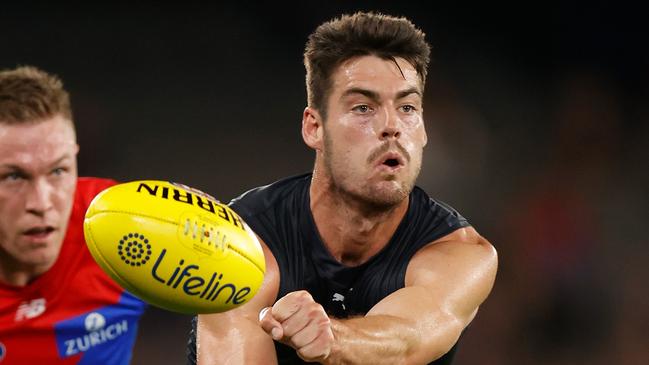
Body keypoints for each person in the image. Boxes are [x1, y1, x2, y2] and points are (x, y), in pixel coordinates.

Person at [190, 11, 497, 364]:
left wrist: (332, 337)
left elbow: (409, 339)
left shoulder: (461, 255)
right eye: (363, 107)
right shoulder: (243, 243)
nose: (391, 126)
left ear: (424, 129)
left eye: (408, 107)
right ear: (314, 128)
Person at [0, 66, 147, 364]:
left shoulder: (127, 225)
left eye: (58, 170)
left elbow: (237, 288)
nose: (41, 203)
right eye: (14, 176)